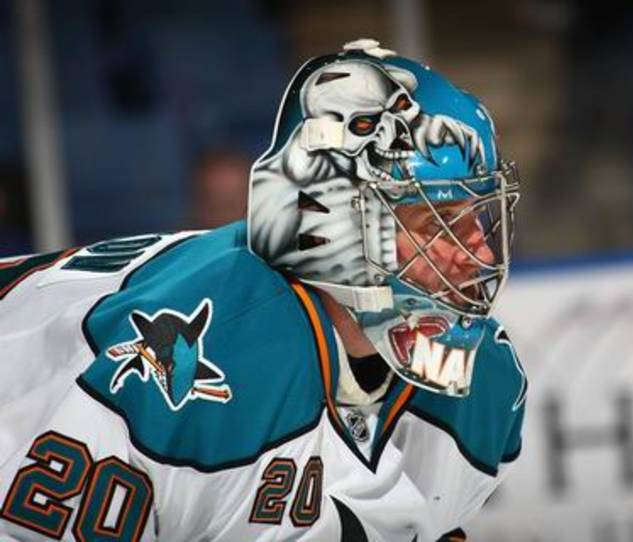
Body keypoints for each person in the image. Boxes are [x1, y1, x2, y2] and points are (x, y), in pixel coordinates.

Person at [0, 39, 526, 541]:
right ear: (332, 221)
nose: (478, 253)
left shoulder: (488, 381)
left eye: (479, 215)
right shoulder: (179, 370)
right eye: (436, 222)